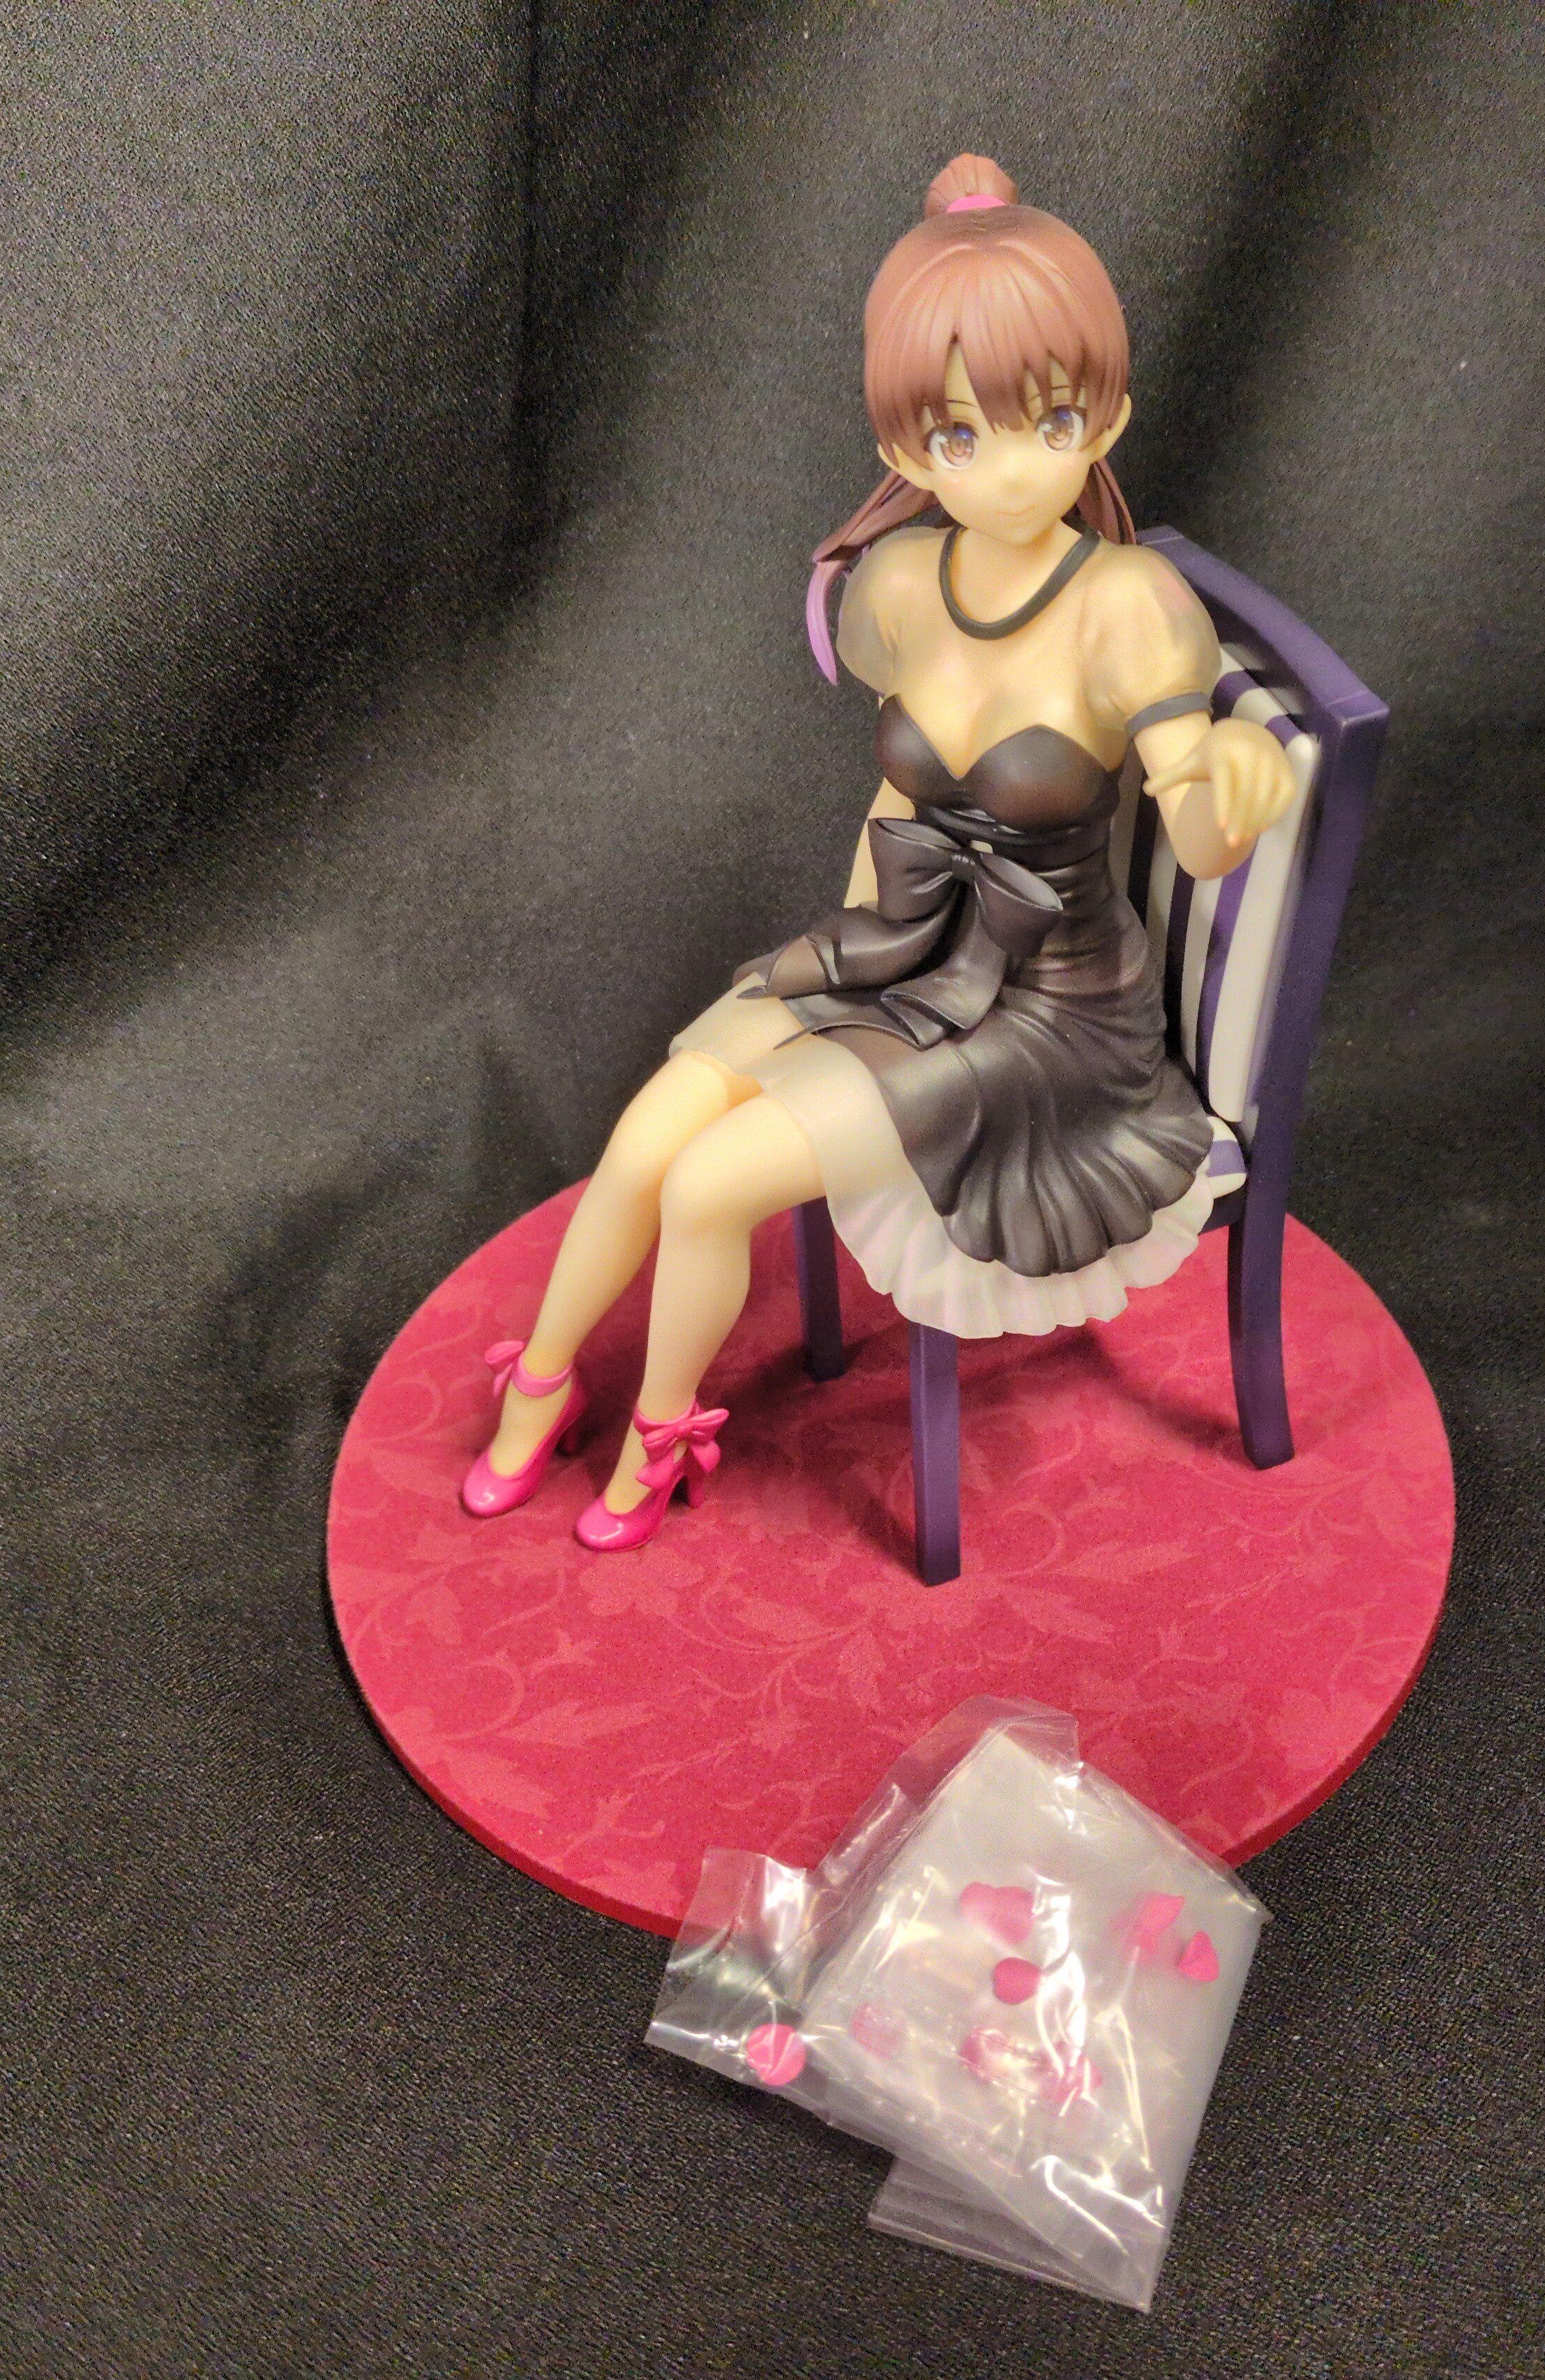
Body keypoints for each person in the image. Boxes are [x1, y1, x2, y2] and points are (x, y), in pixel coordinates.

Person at [462, 153, 1295, 1551]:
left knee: (716, 1182)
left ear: (1108, 411)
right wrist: (846, 973)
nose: (1010, 466)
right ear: (905, 448)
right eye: (959, 436)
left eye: (1051, 420)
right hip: (908, 941)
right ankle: (539, 1388)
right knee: (652, 1130)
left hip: (1049, 1011)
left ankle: (656, 1444)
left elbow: (1203, 841)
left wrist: (1238, 782)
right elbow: (895, 805)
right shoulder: (904, 582)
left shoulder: (1131, 603)